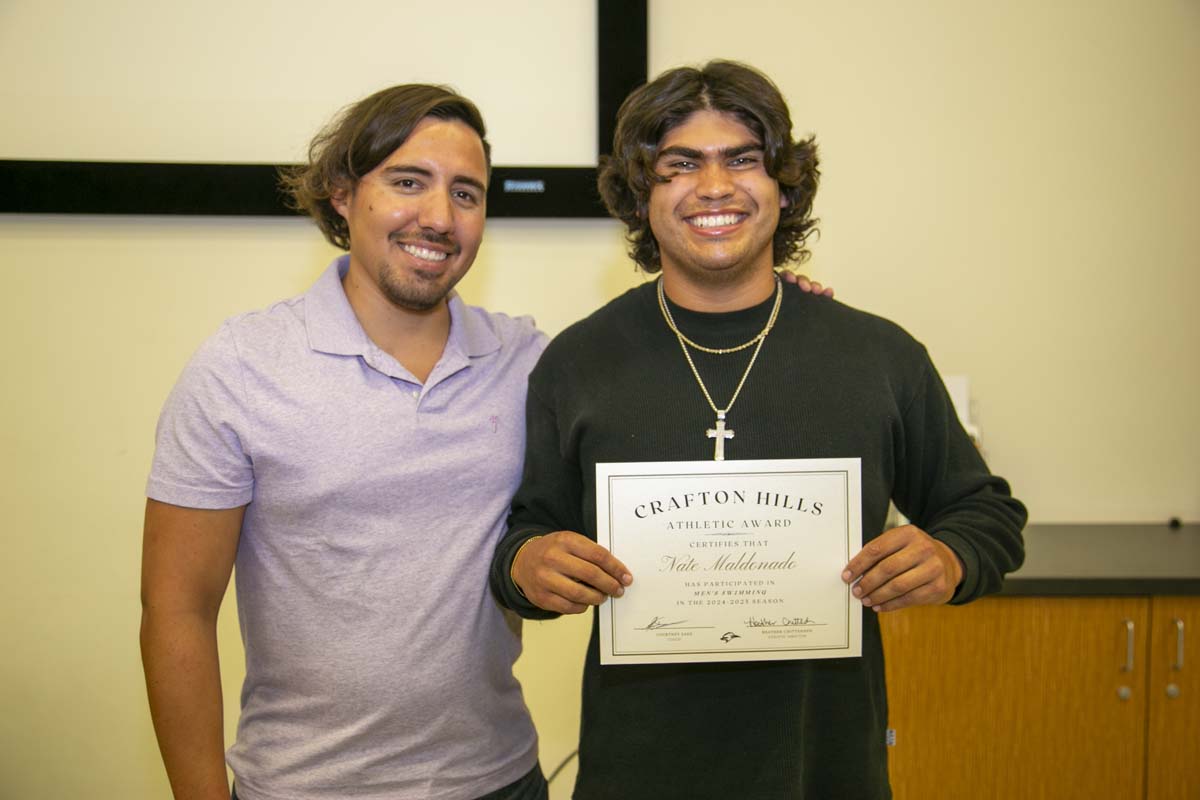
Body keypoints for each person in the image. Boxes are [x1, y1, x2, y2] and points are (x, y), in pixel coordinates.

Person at [140, 82, 831, 800]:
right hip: (302, 787)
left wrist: (776, 310)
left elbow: (668, 386)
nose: (439, 217)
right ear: (343, 195)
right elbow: (176, 610)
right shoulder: (241, 367)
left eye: (467, 194)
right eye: (409, 182)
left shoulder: (528, 363)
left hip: (503, 781)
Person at [490, 60, 1027, 800]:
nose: (715, 187)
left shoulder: (877, 355)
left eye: (742, 159)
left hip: (826, 768)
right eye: (680, 165)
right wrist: (528, 566)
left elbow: (987, 514)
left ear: (784, 184)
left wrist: (952, 557)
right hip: (636, 772)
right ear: (641, 195)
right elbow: (525, 535)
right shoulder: (578, 361)